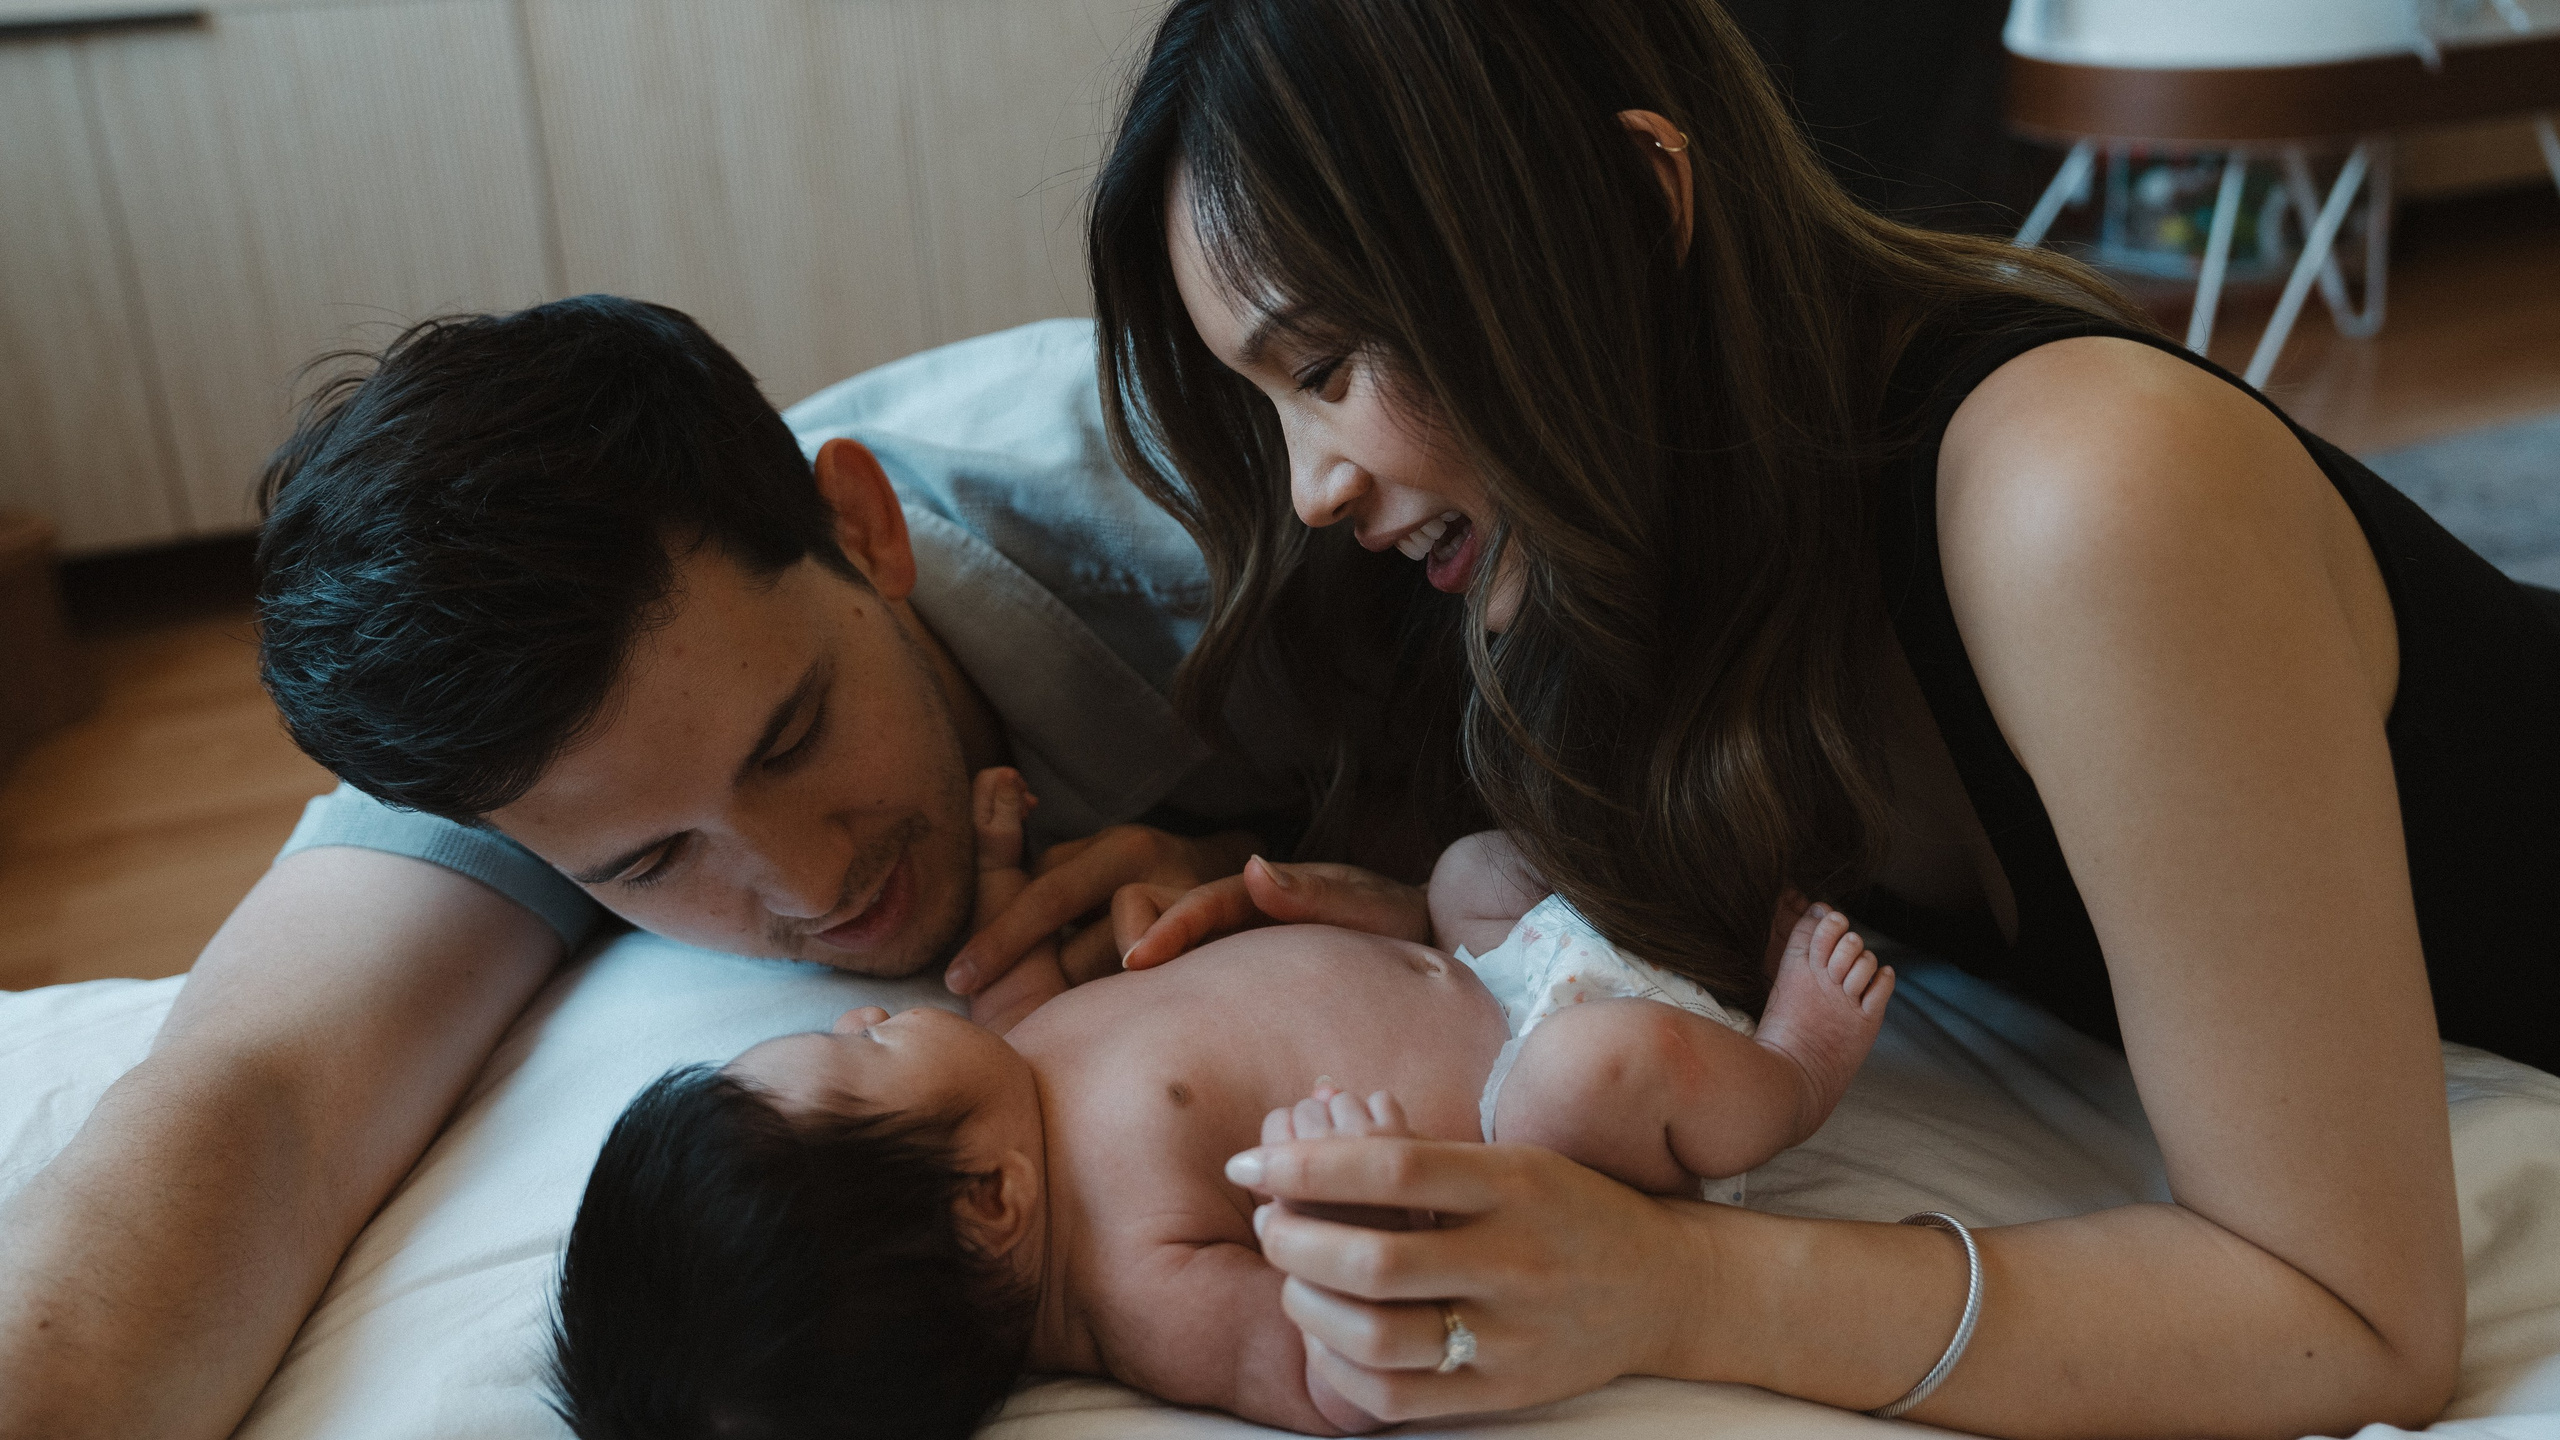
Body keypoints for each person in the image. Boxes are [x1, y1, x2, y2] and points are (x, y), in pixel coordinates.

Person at [1043, 0, 2560, 1434]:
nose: (1313, 489)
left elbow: (2351, 1316)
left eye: (1326, 365)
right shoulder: (1626, 567)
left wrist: (1671, 1290)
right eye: (1269, 406)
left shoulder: (2085, 501)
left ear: (1636, 210)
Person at [0, 297, 1327, 1440]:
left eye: (795, 735)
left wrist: (1297, 854)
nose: (810, 884)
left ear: (861, 532)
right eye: (651, 859)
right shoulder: (504, 727)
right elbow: (260, 1103)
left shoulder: (1261, 519)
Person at [545, 768, 1889, 1437]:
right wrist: (1342, 1220)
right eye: (856, 1056)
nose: (860, 1012)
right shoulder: (1140, 1288)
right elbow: (1332, 1382)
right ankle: (1790, 1070)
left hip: (1493, 958)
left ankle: (1724, 899)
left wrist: (1005, 854)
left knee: (1478, 853)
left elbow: (1012, 960)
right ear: (989, 1203)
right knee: (1588, 1074)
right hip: (1547, 1124)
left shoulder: (1008, 1069)